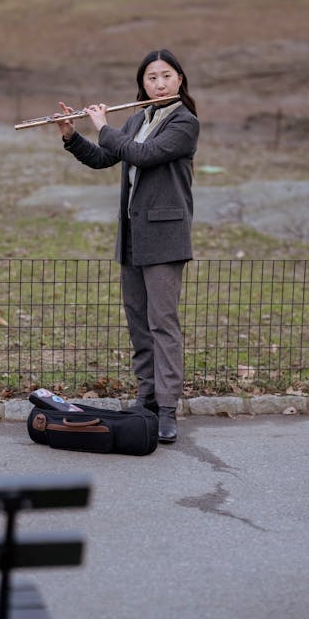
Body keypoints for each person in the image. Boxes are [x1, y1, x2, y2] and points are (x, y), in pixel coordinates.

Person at [56, 49, 199, 443]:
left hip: (166, 237)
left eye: (165, 76)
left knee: (162, 324)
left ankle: (168, 408)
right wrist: (72, 135)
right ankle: (147, 398)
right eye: (151, 77)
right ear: (143, 83)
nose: (158, 83)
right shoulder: (138, 118)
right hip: (134, 234)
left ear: (180, 80)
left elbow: (143, 154)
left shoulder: (185, 123)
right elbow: (106, 157)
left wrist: (103, 125)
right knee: (139, 322)